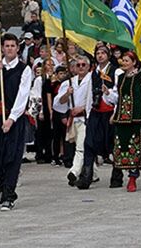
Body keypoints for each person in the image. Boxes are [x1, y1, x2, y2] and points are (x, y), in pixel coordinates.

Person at [0, 33, 32, 210]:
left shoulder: (24, 69)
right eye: (7, 46)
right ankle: (1, 185)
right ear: (2, 48)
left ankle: (8, 194)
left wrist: (12, 118)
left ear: (17, 48)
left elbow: (22, 95)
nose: (9, 48)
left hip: (13, 117)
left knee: (11, 156)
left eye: (12, 46)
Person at [74, 46, 117, 189]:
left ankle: (117, 176)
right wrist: (87, 112)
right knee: (89, 143)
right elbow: (90, 94)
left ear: (108, 55)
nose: (100, 56)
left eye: (103, 53)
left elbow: (119, 95)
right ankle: (86, 176)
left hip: (110, 112)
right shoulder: (93, 73)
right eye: (98, 53)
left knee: (112, 144)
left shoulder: (115, 71)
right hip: (95, 112)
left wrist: (109, 95)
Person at [53, 55, 95, 187]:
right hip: (73, 119)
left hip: (86, 118)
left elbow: (94, 100)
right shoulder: (69, 82)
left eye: (84, 65)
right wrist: (67, 94)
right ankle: (93, 173)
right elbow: (59, 102)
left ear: (88, 67)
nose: (81, 67)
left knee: (81, 147)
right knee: (83, 146)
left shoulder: (92, 80)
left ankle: (74, 171)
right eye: (78, 65)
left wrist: (82, 108)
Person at [108, 52, 141, 192]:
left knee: (134, 146)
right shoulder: (120, 77)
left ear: (134, 62)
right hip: (121, 118)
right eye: (123, 60)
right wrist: (107, 94)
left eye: (126, 60)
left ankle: (133, 177)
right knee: (121, 147)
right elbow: (117, 98)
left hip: (135, 117)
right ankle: (125, 174)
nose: (124, 63)